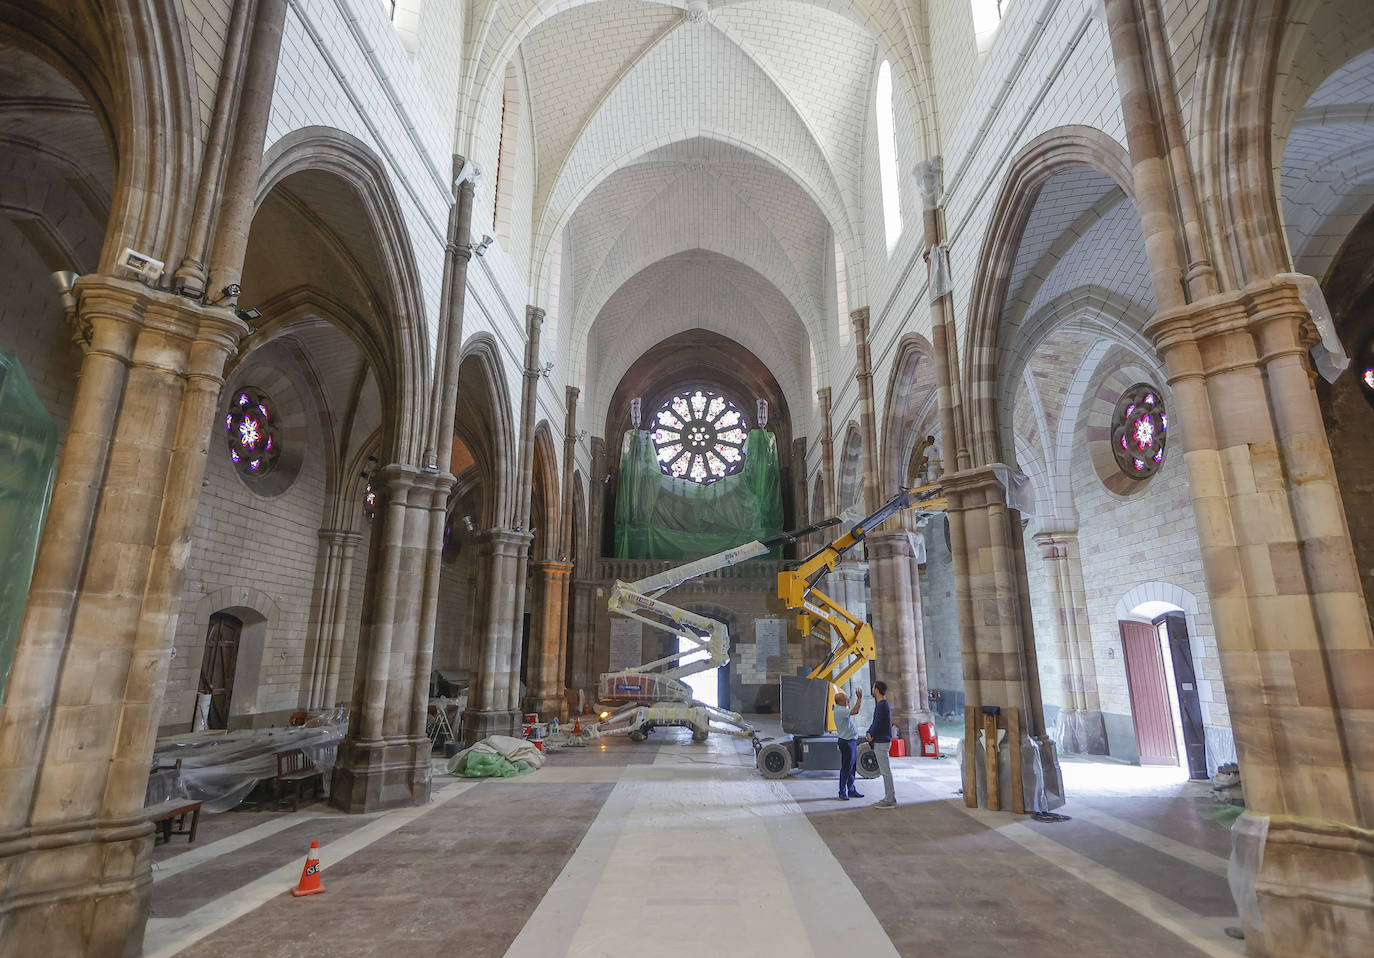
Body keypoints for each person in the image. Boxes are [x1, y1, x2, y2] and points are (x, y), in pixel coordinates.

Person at [864, 680, 896, 807]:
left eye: (873, 687)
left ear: (876, 689)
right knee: (885, 770)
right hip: (882, 739)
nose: (872, 688)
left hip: (882, 741)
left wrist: (871, 733)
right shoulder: (882, 704)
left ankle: (890, 799)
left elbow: (877, 722)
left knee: (885, 771)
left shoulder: (882, 705)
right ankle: (889, 796)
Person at [832, 688, 863, 800]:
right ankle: (842, 791)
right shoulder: (840, 710)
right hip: (847, 742)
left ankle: (851, 789)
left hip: (850, 741)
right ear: (840, 702)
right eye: (846, 700)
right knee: (846, 767)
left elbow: (850, 710)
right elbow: (855, 711)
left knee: (852, 767)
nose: (847, 701)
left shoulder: (840, 709)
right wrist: (859, 698)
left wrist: (849, 704)